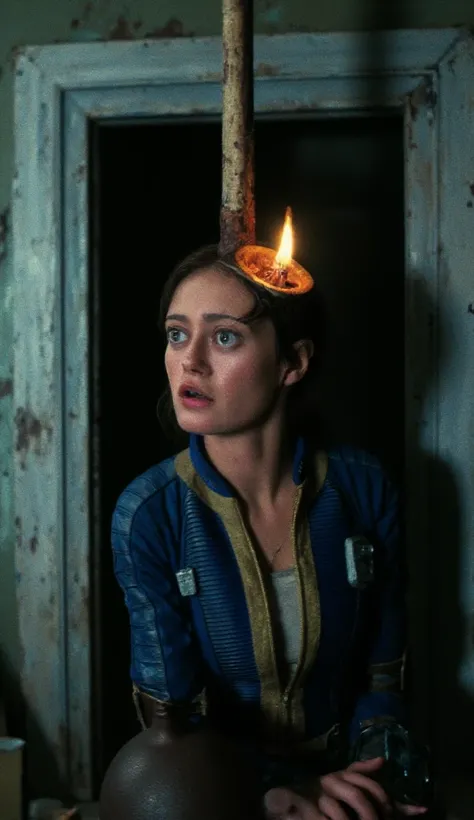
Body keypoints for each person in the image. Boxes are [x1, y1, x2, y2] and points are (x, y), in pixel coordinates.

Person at [105, 245, 429, 820]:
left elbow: (385, 677)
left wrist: (372, 777)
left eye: (224, 337)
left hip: (351, 785)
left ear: (292, 363)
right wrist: (272, 792)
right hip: (223, 794)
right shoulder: (150, 514)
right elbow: (172, 721)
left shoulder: (362, 489)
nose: (190, 362)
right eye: (177, 335)